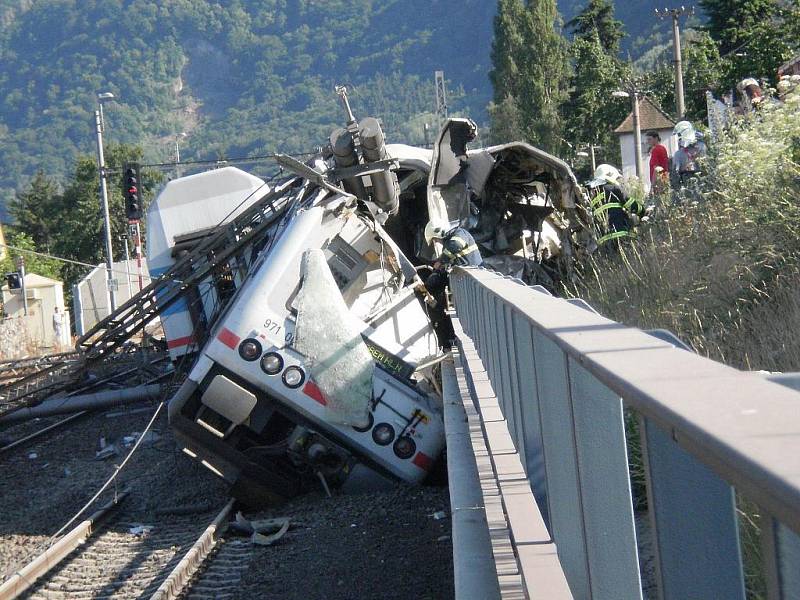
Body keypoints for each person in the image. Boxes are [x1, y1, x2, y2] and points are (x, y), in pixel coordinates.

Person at [423, 219, 482, 347]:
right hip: (466, 281)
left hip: (473, 280)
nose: (437, 242)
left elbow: (455, 246)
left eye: (436, 239)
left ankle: (471, 338)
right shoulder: (450, 240)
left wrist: (441, 261)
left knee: (473, 312)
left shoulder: (459, 234)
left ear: (440, 232)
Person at [586, 164, 643, 248]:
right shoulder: (613, 188)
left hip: (604, 241)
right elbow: (631, 204)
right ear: (610, 176)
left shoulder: (594, 197)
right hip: (620, 234)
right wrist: (643, 212)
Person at [671, 121, 707, 188]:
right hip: (694, 184)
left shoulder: (702, 148)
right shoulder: (679, 154)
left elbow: (675, 175)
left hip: (693, 185)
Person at [645, 130, 669, 194]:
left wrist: (652, 187)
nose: (648, 141)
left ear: (656, 138)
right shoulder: (663, 148)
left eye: (649, 139)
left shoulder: (656, 150)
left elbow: (656, 169)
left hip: (658, 183)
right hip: (664, 178)